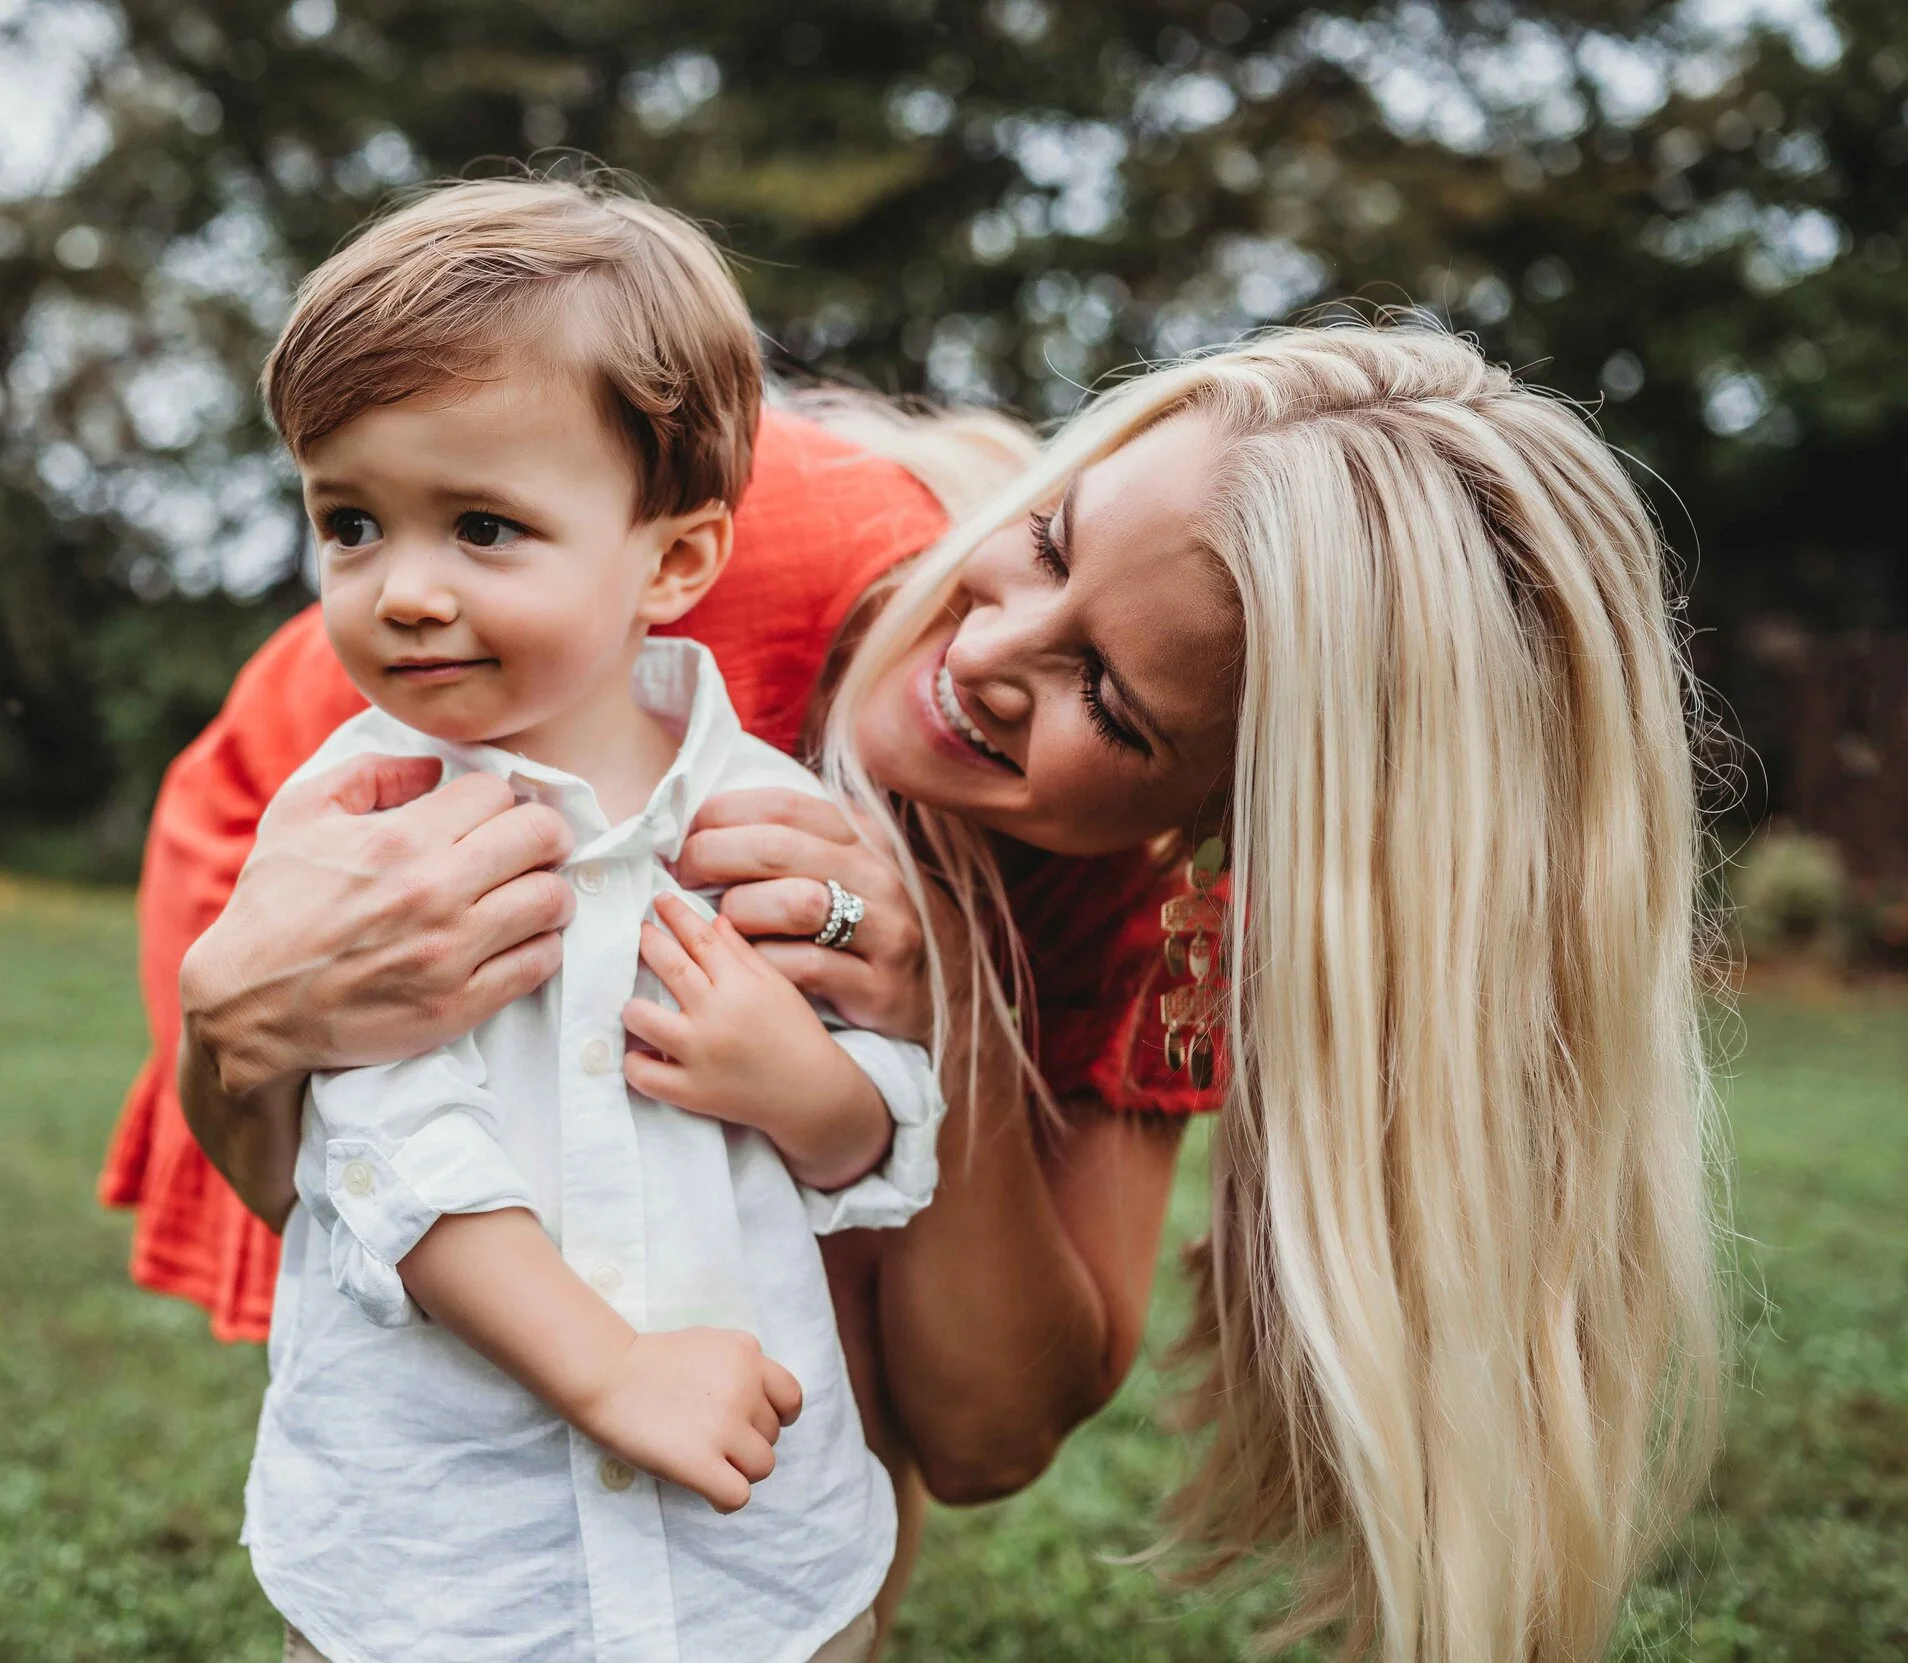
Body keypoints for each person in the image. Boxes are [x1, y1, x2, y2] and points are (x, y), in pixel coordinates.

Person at [126, 319, 1723, 1661]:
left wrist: (933, 1016)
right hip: (327, 866)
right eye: (1044, 542)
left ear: (1237, 821)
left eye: (1107, 692)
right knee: (466, 1391)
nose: (986, 652)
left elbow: (981, 1431)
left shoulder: (1160, 904)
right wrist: (236, 1022)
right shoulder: (700, 581)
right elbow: (323, 1144)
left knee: (797, 1482)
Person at [230, 177, 944, 1663]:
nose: (403, 589)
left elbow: (884, 1132)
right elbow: (385, 1156)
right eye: (351, 522)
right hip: (444, 1560)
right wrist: (613, 1369)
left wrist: (800, 1086)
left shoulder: (764, 815)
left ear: (676, 560)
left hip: (749, 1560)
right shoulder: (369, 831)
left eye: (483, 526)